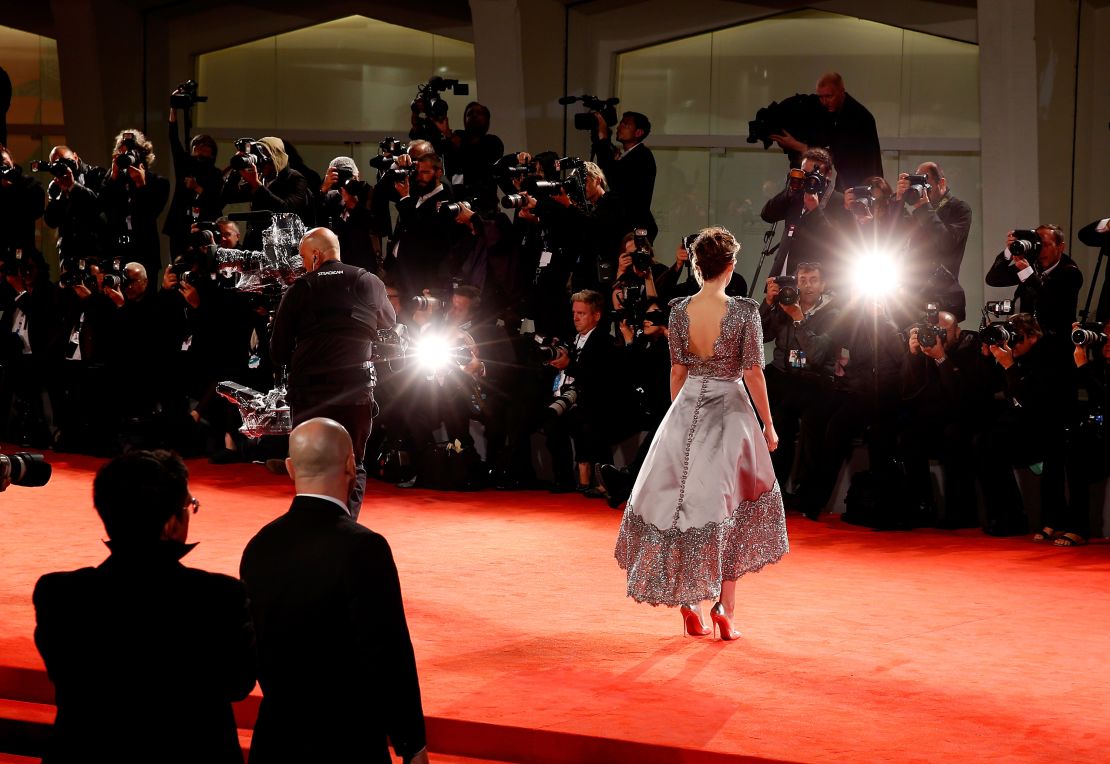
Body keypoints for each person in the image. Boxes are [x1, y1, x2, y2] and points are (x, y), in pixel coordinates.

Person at [614, 226, 788, 641]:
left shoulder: (678, 311)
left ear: (695, 267)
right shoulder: (745, 311)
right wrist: (768, 423)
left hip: (687, 408)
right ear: (730, 267)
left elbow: (677, 370)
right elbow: (753, 372)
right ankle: (723, 610)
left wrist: (679, 412)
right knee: (731, 509)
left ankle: (690, 604)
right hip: (730, 413)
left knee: (686, 508)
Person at [33, 450, 256, 763]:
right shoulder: (219, 596)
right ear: (171, 524)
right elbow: (238, 684)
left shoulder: (59, 594)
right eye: (189, 506)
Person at [239, 418, 427, 764]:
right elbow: (388, 653)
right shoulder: (364, 548)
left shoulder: (258, 546)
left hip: (275, 743)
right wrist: (411, 742)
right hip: (349, 744)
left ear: (292, 469)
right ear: (351, 464)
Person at [269, 227, 396, 518]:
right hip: (356, 392)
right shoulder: (368, 281)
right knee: (354, 462)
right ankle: (344, 525)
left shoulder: (300, 288)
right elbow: (389, 326)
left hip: (310, 394)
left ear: (316, 255)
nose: (302, 264)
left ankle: (312, 526)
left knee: (310, 463)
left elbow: (278, 351)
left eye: (302, 258)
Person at [771, 71, 883, 191]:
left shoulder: (857, 117)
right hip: (850, 183)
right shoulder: (837, 113)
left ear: (841, 91)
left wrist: (797, 145)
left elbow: (838, 154)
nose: (824, 101)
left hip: (863, 186)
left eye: (829, 96)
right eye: (821, 97)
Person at [985, 224, 1083, 359]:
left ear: (1060, 247)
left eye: (1046, 245)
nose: (1041, 251)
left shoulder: (1070, 272)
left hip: (1055, 349)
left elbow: (1052, 301)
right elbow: (993, 279)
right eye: (1038, 245)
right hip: (1025, 344)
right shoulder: (1032, 264)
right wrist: (1008, 252)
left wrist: (1028, 274)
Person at [895, 162, 973, 321]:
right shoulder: (920, 210)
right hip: (910, 294)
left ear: (941, 183)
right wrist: (898, 200)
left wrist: (924, 207)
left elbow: (947, 243)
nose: (923, 189)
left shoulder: (959, 208)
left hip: (942, 296)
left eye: (926, 182)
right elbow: (896, 232)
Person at [592, 110, 658, 241]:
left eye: (625, 124)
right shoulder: (628, 156)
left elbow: (612, 177)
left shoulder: (642, 156)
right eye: (620, 123)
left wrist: (603, 138)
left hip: (631, 229)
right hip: (625, 225)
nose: (619, 127)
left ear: (638, 132)